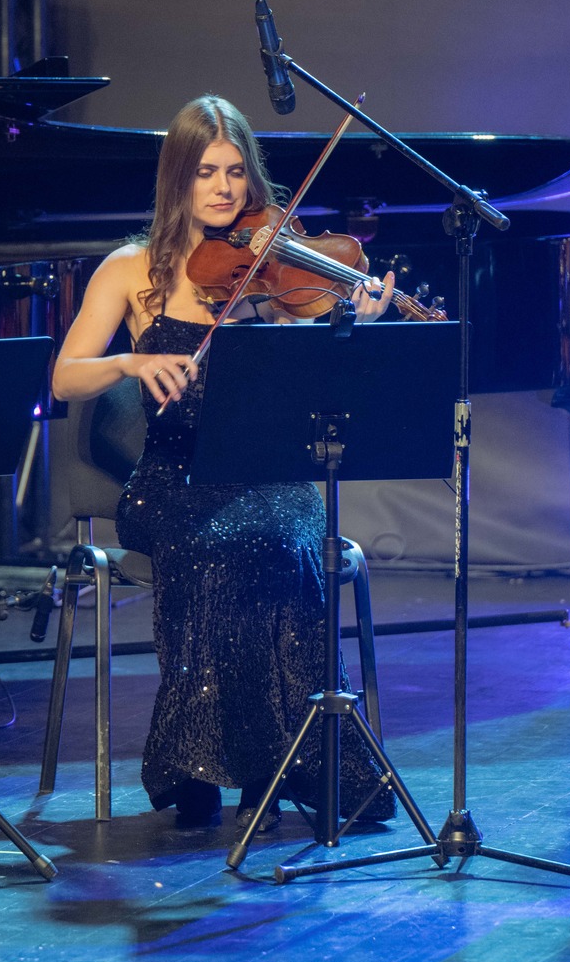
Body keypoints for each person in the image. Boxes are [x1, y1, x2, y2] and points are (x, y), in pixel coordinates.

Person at [50, 95, 396, 830]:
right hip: (172, 477)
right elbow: (65, 376)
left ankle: (273, 767)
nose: (223, 188)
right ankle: (201, 757)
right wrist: (132, 361)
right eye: (206, 171)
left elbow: (319, 387)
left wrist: (353, 327)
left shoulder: (276, 274)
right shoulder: (129, 269)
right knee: (218, 544)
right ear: (178, 179)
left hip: (268, 475)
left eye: (236, 171)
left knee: (280, 539)